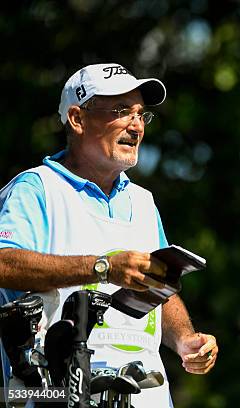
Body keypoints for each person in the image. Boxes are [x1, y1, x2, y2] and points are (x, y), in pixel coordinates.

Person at [0, 63, 218, 407]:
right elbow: (4, 263)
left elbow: (160, 286)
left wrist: (185, 340)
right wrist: (103, 267)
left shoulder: (144, 201)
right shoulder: (36, 188)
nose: (136, 125)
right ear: (77, 118)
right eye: (121, 111)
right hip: (56, 396)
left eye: (141, 114)